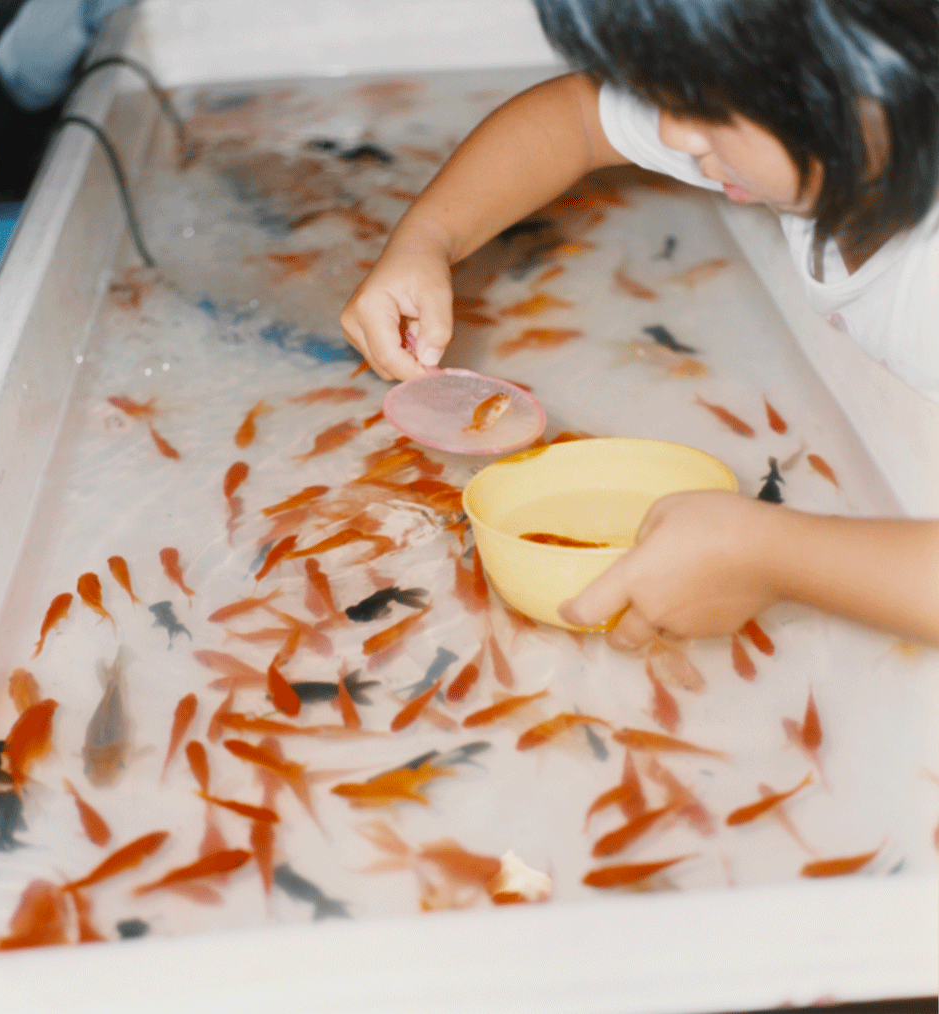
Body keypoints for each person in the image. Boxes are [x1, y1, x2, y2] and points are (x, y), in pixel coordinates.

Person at [340, 0, 939, 650]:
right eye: (662, 88)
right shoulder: (832, 129)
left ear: (884, 69)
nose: (675, 133)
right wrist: (429, 239)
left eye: (707, 100)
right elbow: (576, 115)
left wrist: (776, 555)